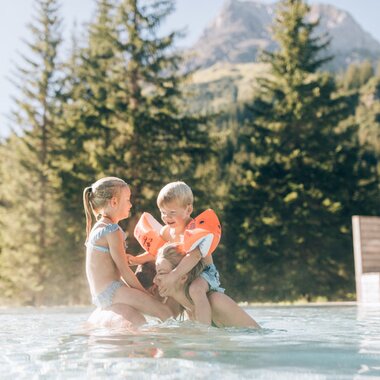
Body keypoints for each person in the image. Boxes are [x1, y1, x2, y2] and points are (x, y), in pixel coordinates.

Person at [128, 181, 223, 326]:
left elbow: (195, 256)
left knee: (196, 290)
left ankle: (205, 329)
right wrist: (136, 260)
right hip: (181, 275)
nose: (167, 217)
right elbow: (157, 252)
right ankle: (172, 327)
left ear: (188, 209)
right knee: (169, 297)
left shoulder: (193, 230)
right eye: (163, 212)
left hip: (204, 273)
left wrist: (174, 275)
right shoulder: (166, 231)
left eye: (172, 213)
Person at [83, 176, 172, 323]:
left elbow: (113, 268)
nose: (130, 204)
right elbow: (124, 270)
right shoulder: (113, 230)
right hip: (112, 291)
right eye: (128, 200)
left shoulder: (98, 228)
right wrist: (144, 294)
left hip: (100, 294)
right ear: (114, 202)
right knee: (163, 311)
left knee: (149, 308)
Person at [154, 244, 260, 328]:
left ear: (183, 277)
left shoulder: (217, 302)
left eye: (161, 273)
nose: (155, 280)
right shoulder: (184, 311)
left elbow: (256, 336)